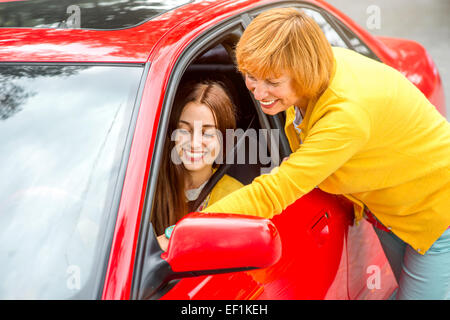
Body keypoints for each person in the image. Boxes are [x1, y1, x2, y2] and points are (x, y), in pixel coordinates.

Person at [201, 8, 450, 299]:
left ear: (303, 74)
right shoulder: (310, 71)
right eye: (250, 76)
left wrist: (187, 231)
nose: (258, 92)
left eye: (272, 82)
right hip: (389, 208)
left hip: (435, 214)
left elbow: (274, 191)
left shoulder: (345, 116)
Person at [152, 81, 243, 251]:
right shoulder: (150, 187)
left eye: (207, 133)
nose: (194, 143)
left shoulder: (235, 195)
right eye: (184, 131)